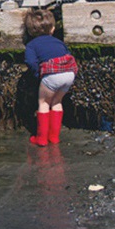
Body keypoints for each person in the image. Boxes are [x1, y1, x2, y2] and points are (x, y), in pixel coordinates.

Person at [24, 9, 77, 146]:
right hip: (69, 72)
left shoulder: (31, 45)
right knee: (57, 102)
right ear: (53, 29)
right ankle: (54, 137)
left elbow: (30, 62)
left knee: (44, 103)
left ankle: (41, 139)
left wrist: (38, 74)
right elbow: (67, 53)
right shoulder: (58, 42)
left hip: (51, 75)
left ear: (30, 31)